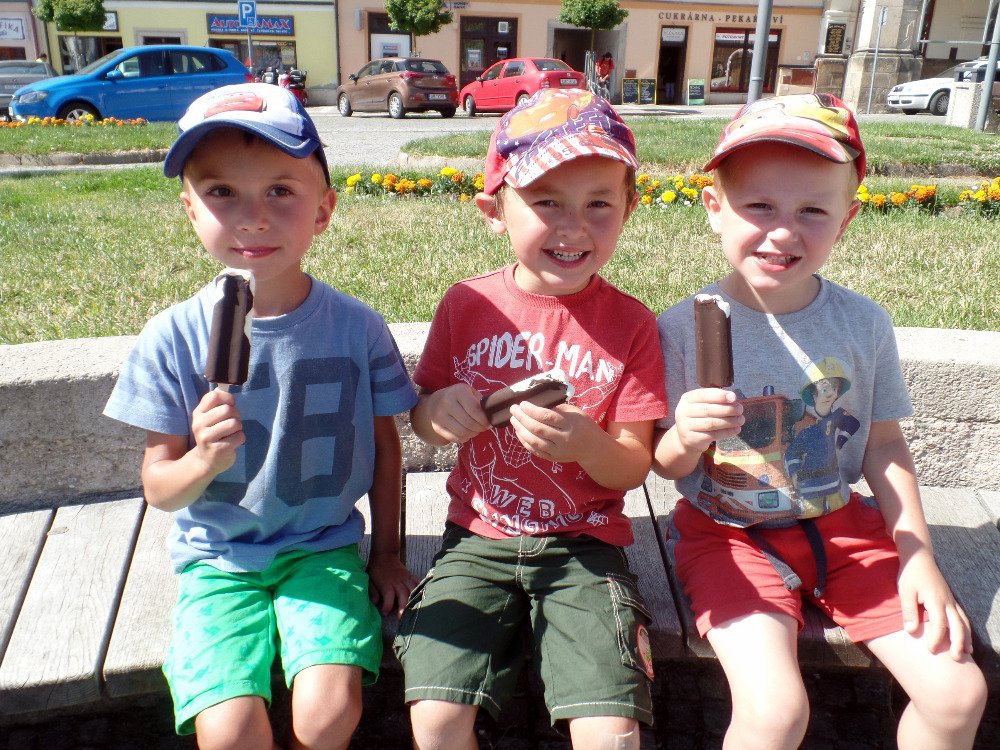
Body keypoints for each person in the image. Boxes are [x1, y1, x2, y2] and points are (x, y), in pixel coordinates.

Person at [653, 93, 987, 750]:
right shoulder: (681, 328)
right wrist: (686, 434)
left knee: (957, 694)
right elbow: (664, 465)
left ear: (847, 219)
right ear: (714, 207)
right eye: (760, 206)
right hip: (726, 537)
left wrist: (918, 555)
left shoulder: (862, 325)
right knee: (776, 713)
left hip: (843, 528)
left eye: (812, 211)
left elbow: (884, 445)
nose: (784, 232)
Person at [103, 82, 418, 750]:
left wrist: (387, 554)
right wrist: (201, 459)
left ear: (323, 210)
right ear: (190, 208)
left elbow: (387, 447)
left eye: (280, 191)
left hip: (323, 546)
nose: (253, 218)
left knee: (328, 717)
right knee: (229, 735)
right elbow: (159, 487)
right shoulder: (173, 338)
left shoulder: (358, 328)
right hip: (217, 559)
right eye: (222, 192)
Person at [394, 88, 668, 750]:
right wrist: (438, 412)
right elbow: (423, 419)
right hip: (476, 537)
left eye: (598, 204)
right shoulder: (467, 304)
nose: (574, 227)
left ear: (629, 209)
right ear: (495, 211)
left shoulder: (632, 325)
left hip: (584, 545)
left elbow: (633, 465)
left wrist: (586, 443)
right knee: (435, 717)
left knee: (610, 730)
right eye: (547, 202)